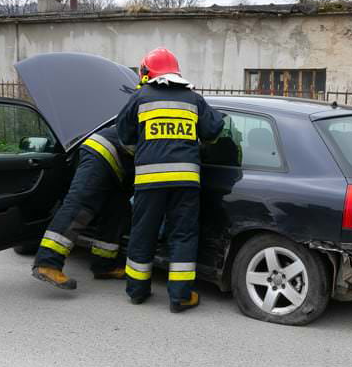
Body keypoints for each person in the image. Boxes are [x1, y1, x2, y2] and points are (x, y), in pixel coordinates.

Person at [116, 47, 224, 312]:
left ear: (146, 72)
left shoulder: (139, 98)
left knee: (143, 233)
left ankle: (138, 291)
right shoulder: (193, 99)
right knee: (183, 235)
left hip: (149, 181)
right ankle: (180, 297)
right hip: (186, 181)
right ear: (176, 72)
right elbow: (213, 130)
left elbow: (124, 135)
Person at [32, 125, 134, 289]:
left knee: (117, 212)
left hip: (118, 168)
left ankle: (104, 266)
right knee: (81, 207)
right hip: (102, 151)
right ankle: (47, 263)